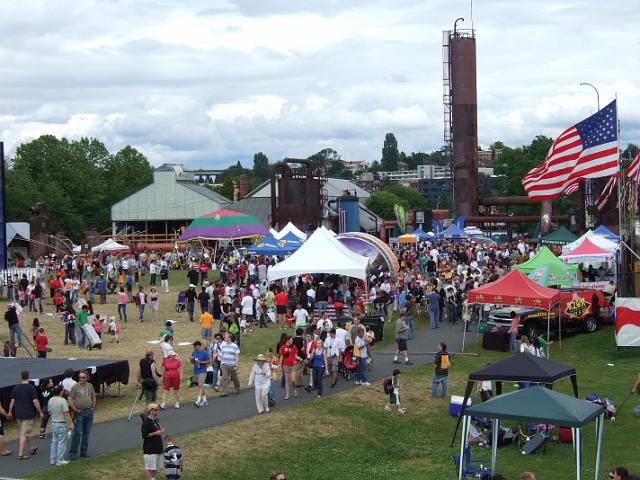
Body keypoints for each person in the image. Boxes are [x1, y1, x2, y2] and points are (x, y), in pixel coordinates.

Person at [8, 370, 44, 459]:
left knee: (26, 432)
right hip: (28, 414)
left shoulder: (16, 387)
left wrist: (9, 411)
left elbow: (12, 401)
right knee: (24, 434)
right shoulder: (31, 388)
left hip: (18, 414)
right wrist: (40, 411)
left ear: (21, 377)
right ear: (28, 376)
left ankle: (31, 448)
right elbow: (35, 401)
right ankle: (20, 454)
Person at [67, 369, 96, 460]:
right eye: (79, 377)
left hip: (89, 411)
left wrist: (92, 407)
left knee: (86, 433)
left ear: (87, 377)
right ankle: (73, 453)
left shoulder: (90, 386)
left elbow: (93, 397)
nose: (81, 379)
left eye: (83, 377)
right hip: (79, 412)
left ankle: (84, 451)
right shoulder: (75, 387)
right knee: (77, 433)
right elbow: (69, 398)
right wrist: (74, 409)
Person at [47, 385, 73, 466]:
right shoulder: (63, 401)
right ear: (61, 392)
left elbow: (49, 412)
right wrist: (70, 424)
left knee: (54, 441)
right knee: (62, 442)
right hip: (61, 423)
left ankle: (53, 459)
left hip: (54, 423)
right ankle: (60, 459)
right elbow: (66, 413)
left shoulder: (50, 400)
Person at [141, 403, 165, 480]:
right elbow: (144, 435)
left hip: (157, 446)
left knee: (155, 466)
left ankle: (153, 478)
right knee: (149, 467)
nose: (158, 411)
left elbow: (160, 428)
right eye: (156, 410)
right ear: (150, 411)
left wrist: (161, 429)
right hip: (150, 448)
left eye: (158, 409)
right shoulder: (146, 422)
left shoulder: (156, 419)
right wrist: (156, 433)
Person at [279, 335, 302, 400]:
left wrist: (300, 358)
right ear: (288, 340)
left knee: (293, 380)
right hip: (285, 365)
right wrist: (280, 366)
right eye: (291, 340)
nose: (292, 341)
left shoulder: (294, 347)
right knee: (286, 381)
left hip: (293, 365)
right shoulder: (283, 347)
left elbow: (296, 355)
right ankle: (287, 394)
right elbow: (281, 357)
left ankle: (295, 389)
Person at [219, 333, 241, 397]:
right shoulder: (223, 345)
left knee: (234, 378)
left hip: (232, 365)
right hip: (224, 364)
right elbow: (222, 354)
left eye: (225, 337)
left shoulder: (235, 346)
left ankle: (237, 388)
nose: (224, 338)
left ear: (229, 338)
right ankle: (225, 391)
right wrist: (221, 363)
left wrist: (236, 365)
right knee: (225, 378)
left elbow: (237, 356)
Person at [190, 341, 210, 407]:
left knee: (200, 384)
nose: (194, 347)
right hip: (196, 371)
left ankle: (198, 401)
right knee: (199, 386)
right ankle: (204, 400)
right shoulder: (193, 353)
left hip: (203, 371)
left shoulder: (204, 353)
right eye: (194, 346)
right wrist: (191, 360)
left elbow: (209, 361)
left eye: (195, 346)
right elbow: (193, 362)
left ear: (198, 346)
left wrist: (201, 362)